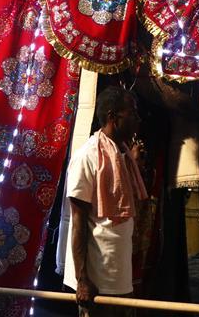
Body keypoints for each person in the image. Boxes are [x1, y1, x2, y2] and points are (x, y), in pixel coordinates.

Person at [64, 86, 147, 316]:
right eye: (132, 113)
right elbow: (78, 222)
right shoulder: (87, 156)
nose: (138, 119)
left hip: (120, 278)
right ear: (113, 117)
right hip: (96, 284)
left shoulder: (123, 155)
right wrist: (82, 279)